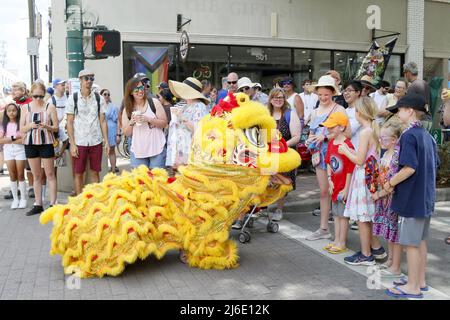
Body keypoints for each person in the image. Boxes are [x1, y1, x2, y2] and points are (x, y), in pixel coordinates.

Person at [384, 94, 439, 299]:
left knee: (410, 244)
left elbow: (409, 168)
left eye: (399, 110)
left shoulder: (408, 135)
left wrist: (390, 184)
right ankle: (419, 281)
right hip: (424, 197)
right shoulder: (427, 135)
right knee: (420, 241)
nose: (397, 114)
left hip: (410, 198)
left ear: (409, 110)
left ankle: (413, 287)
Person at [338, 97, 386, 265]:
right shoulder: (373, 129)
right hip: (369, 176)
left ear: (360, 113)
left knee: (363, 218)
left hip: (363, 175)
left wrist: (345, 151)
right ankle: (372, 249)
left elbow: (359, 160)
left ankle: (366, 255)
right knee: (366, 217)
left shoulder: (366, 132)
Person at [305, 75, 346, 241]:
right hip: (319, 155)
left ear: (332, 94)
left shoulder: (339, 110)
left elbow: (346, 133)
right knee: (323, 191)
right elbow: (312, 132)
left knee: (336, 190)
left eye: (326, 95)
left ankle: (341, 232)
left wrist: (327, 137)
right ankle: (323, 228)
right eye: (320, 94)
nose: (323, 98)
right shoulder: (314, 111)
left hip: (336, 155)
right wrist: (309, 139)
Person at [66, 69, 109, 195]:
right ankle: (80, 201)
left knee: (95, 172)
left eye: (91, 78)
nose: (89, 81)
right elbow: (69, 122)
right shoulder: (72, 98)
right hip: (79, 141)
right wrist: (72, 144)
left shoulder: (98, 98)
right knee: (79, 172)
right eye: (86, 78)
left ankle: (96, 201)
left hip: (96, 140)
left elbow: (103, 121)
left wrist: (106, 140)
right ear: (80, 80)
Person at [20, 82, 59, 215]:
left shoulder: (50, 106)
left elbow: (56, 128)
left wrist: (46, 127)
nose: (38, 99)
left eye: (41, 96)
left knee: (50, 174)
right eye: (35, 96)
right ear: (31, 95)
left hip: (46, 142)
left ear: (44, 95)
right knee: (36, 175)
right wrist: (31, 125)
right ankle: (38, 204)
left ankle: (53, 204)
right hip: (30, 143)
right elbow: (22, 129)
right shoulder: (25, 108)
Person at [371, 119, 404, 277]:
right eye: (380, 138)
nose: (380, 141)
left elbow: (392, 181)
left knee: (394, 231)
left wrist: (379, 193)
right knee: (389, 232)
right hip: (383, 197)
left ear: (394, 140)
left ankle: (394, 263)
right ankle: (390, 259)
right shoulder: (385, 154)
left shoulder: (396, 157)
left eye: (383, 138)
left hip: (390, 197)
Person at [321, 112, 355, 253]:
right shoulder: (331, 143)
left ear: (341, 127)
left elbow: (349, 169)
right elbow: (328, 162)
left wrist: (346, 188)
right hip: (334, 185)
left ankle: (342, 242)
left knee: (343, 215)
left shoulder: (347, 145)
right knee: (335, 214)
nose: (328, 129)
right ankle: (336, 239)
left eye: (331, 127)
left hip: (343, 186)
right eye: (328, 127)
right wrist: (329, 180)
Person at [267, 88, 301, 221]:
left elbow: (296, 136)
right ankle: (265, 207)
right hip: (268, 154)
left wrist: (282, 146)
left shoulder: (289, 114)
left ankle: (279, 209)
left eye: (281, 97)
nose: (278, 100)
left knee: (282, 182)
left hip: (285, 154)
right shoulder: (266, 114)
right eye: (275, 97)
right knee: (267, 181)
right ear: (270, 99)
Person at [122, 78, 168, 169]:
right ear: (131, 92)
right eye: (136, 89)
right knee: (140, 181)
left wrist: (148, 119)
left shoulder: (154, 102)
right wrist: (132, 122)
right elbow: (127, 133)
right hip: (138, 151)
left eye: (141, 87)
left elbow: (164, 123)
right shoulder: (127, 109)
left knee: (156, 180)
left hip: (157, 148)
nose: (140, 91)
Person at [166, 77, 210, 169]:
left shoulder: (200, 106)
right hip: (179, 153)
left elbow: (199, 129)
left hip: (190, 153)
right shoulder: (184, 107)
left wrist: (182, 118)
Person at [0, 103, 27, 209]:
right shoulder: (4, 125)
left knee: (20, 174)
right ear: (6, 112)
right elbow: (1, 140)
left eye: (14, 110)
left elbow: (23, 140)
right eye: (9, 111)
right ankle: (15, 199)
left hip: (20, 150)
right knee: (12, 175)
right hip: (8, 151)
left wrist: (8, 139)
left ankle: (23, 199)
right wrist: (14, 138)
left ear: (17, 111)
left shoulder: (21, 124)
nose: (12, 112)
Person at [403, 62, 432, 130]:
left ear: (409, 72)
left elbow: (409, 106)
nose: (404, 75)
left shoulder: (413, 86)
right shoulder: (425, 83)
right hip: (428, 119)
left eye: (404, 72)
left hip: (418, 120)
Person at [101, 89, 120, 173]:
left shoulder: (113, 107)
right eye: (105, 94)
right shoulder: (98, 106)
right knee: (103, 151)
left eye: (108, 94)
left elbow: (118, 121)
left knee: (111, 150)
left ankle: (113, 169)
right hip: (101, 130)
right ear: (101, 95)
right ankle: (104, 170)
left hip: (111, 130)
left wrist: (118, 134)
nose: (107, 96)